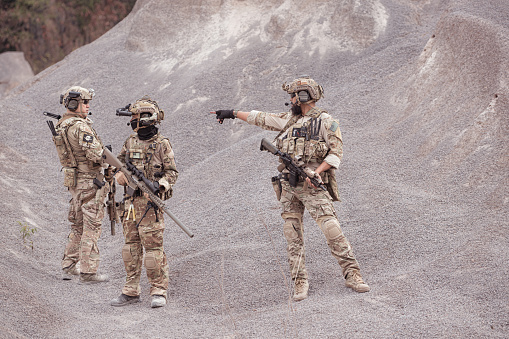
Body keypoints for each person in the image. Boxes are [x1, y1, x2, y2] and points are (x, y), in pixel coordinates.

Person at [211, 76, 370, 301]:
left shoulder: (326, 122)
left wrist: (317, 171)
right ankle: (299, 281)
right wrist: (231, 113)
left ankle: (352, 274)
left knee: (331, 228)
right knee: (292, 234)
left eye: (293, 95)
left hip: (312, 184)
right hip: (288, 185)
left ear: (304, 96)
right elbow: (261, 118)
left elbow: (336, 154)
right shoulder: (288, 120)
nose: (291, 100)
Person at [110, 96, 178, 308]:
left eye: (135, 116)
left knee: (153, 251)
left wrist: (161, 186)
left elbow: (172, 173)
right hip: (130, 204)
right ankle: (131, 290)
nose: (132, 120)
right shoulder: (130, 142)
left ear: (148, 118)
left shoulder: (161, 144)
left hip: (150, 205)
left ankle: (158, 290)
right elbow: (116, 163)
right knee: (130, 249)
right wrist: (117, 175)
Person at [53, 86, 110, 284]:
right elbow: (96, 154)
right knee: (92, 226)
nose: (87, 106)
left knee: (78, 225)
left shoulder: (63, 124)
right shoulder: (80, 126)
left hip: (75, 181)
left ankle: (69, 265)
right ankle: (88, 272)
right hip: (89, 181)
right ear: (73, 103)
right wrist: (112, 163)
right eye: (84, 102)